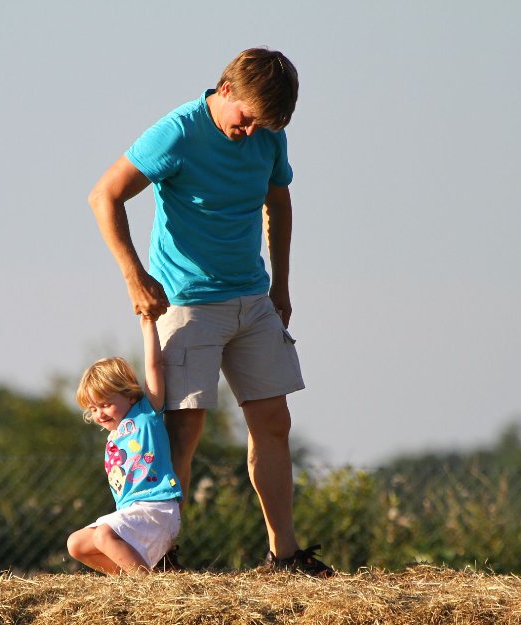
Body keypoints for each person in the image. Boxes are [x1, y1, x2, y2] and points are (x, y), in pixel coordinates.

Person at [87, 46, 333, 576]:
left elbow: (280, 205)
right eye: (246, 118)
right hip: (187, 303)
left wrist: (282, 287)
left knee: (274, 422)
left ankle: (284, 556)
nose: (252, 132)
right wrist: (135, 276)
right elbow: (104, 195)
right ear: (225, 91)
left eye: (264, 124)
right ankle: (162, 557)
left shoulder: (268, 133)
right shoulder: (177, 133)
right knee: (181, 432)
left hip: (252, 298)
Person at [67, 317, 182, 575]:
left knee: (104, 535)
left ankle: (146, 589)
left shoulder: (146, 413)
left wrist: (148, 325)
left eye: (106, 404)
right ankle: (135, 578)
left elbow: (154, 365)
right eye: (93, 408)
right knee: (76, 544)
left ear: (130, 394)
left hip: (157, 508)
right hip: (132, 512)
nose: (99, 414)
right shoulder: (114, 437)